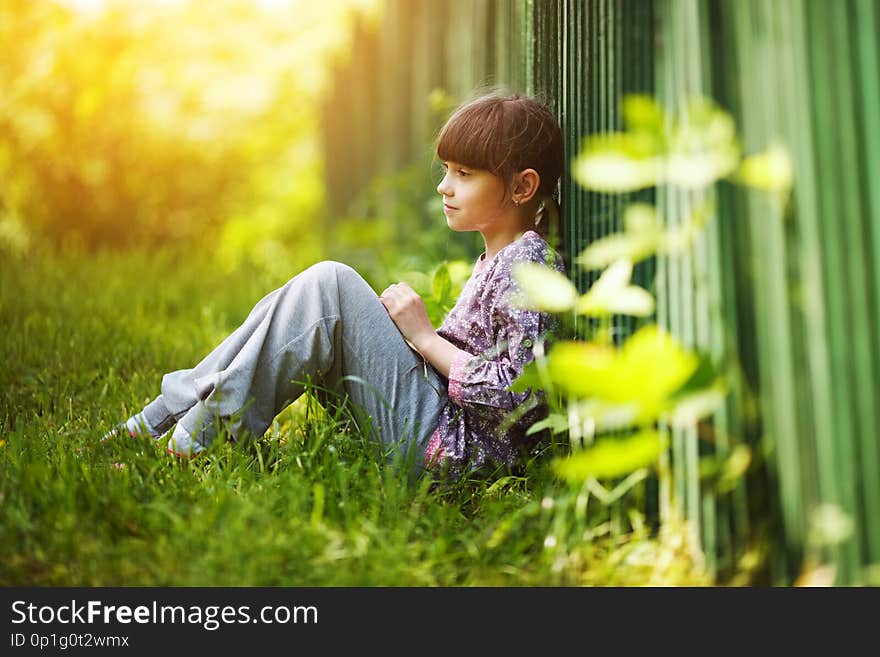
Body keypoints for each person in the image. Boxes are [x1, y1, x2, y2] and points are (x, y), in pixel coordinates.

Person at [103, 90, 567, 480]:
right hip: (439, 429)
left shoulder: (528, 262)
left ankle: (183, 440)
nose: (445, 186)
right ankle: (166, 423)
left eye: (464, 174)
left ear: (522, 188)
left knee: (331, 285)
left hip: (455, 453)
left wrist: (423, 339)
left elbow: (520, 397)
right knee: (305, 300)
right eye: (447, 169)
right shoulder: (502, 258)